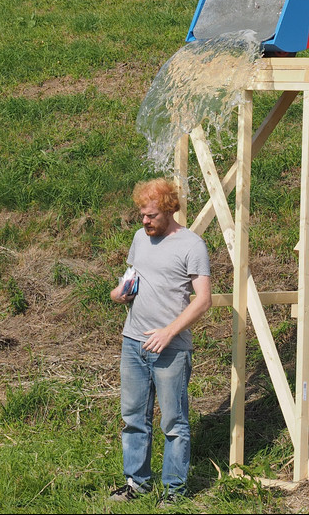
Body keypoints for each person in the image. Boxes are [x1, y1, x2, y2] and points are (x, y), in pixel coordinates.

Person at [108, 178, 212, 504]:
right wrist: (121, 291)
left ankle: (174, 492)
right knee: (133, 419)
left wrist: (169, 332)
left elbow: (203, 300)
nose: (144, 221)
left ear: (169, 210)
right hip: (132, 342)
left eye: (151, 215)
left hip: (170, 349)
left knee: (173, 423)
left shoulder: (192, 245)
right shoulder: (140, 238)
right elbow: (133, 276)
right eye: (142, 214)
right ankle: (137, 483)